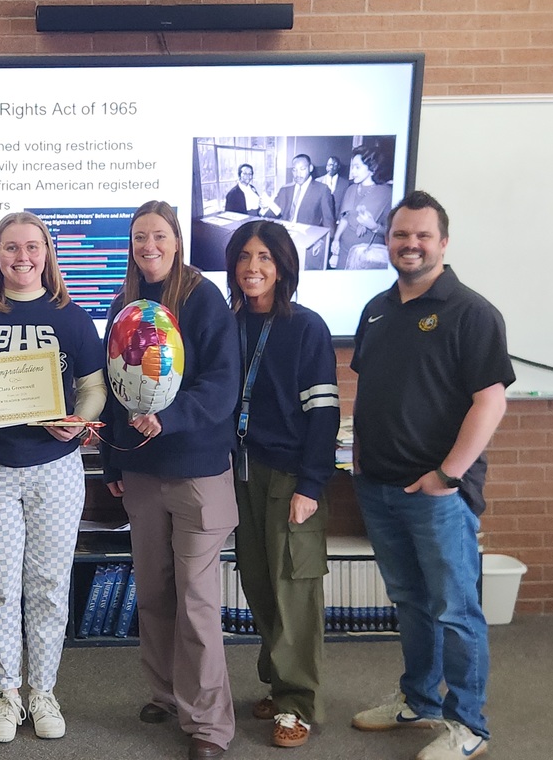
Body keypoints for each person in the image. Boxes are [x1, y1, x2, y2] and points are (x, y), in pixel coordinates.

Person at [349, 191, 514, 760]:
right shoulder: (376, 309)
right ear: (387, 241)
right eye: (401, 234)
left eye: (422, 235)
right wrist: (360, 459)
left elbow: (490, 403)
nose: (411, 244)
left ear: (443, 242)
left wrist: (447, 475)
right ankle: (419, 700)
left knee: (455, 610)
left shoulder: (472, 312)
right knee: (411, 602)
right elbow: (373, 389)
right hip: (378, 487)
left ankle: (469, 726)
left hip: (437, 494)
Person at [0, 212, 106, 744]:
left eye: (32, 246)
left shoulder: (72, 318)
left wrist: (79, 422)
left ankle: (43, 691)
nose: (22, 256)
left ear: (47, 253)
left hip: (56, 468)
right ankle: (6, 693)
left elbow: (94, 387)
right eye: (11, 247)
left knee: (50, 587)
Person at [100, 201, 240, 760]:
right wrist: (113, 462)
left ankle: (208, 724)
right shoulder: (124, 303)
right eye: (139, 237)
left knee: (197, 600)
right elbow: (116, 385)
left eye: (158, 236)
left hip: (196, 473)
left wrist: (170, 417)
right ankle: (166, 693)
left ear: (177, 241)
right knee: (154, 593)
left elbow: (223, 385)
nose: (148, 246)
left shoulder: (203, 299)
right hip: (141, 471)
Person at [223, 220, 339, 748]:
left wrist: (311, 485)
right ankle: (278, 683)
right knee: (259, 583)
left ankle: (297, 704)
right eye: (244, 257)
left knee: (294, 589)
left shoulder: (306, 327)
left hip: (290, 475)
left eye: (265, 257)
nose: (253, 267)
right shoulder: (228, 325)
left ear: (283, 266)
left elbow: (324, 413)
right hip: (240, 472)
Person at [329, 145, 393, 270]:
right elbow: (345, 218)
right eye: (352, 167)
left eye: (357, 167)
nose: (353, 171)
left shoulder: (386, 193)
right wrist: (336, 240)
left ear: (372, 168)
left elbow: (391, 232)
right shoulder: (351, 189)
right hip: (344, 251)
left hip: (367, 256)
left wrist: (374, 226)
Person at [259, 154, 334, 229]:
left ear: (310, 168)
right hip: (283, 232)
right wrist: (265, 207)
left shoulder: (322, 190)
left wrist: (329, 236)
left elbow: (328, 221)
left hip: (307, 233)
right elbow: (273, 213)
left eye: (302, 169)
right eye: (294, 170)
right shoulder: (285, 190)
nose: (298, 174)